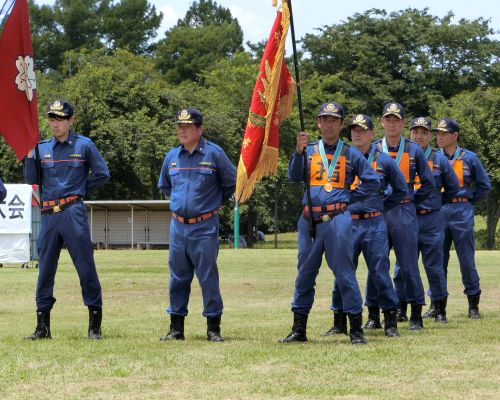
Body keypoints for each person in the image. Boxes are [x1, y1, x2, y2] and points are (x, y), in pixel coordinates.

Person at [281, 103, 380, 345]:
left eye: (334, 120)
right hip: (309, 222)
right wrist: (298, 152)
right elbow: (293, 176)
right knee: (305, 274)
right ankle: (299, 329)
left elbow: (372, 181)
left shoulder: (350, 153)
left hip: (337, 220)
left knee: (345, 273)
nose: (329, 124)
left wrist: (349, 200)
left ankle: (355, 330)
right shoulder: (309, 150)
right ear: (318, 123)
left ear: (341, 124)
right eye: (325, 119)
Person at [23, 99, 110, 340]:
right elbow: (31, 179)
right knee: (45, 270)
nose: (55, 124)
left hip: (73, 212)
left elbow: (102, 174)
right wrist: (29, 154)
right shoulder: (41, 148)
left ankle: (94, 326)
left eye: (60, 119)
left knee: (85, 266)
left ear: (70, 120)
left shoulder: (84, 145)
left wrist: (81, 189)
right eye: (52, 119)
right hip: (49, 215)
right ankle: (42, 327)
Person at [323, 114, 407, 338]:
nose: (357, 134)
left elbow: (401, 190)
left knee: (380, 272)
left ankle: (390, 321)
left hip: (373, 223)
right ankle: (339, 321)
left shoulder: (384, 160)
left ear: (372, 133)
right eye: (354, 131)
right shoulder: (341, 157)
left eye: (362, 130)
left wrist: (382, 206)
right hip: (347, 221)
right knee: (342, 272)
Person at [158, 108, 236, 342]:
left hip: (204, 227)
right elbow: (165, 186)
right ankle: (176, 328)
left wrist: (212, 202)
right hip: (178, 227)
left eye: (188, 127)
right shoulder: (172, 156)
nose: (182, 131)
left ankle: (213, 327)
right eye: (180, 127)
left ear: (200, 130)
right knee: (177, 277)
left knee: (207, 277)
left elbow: (231, 182)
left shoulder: (214, 153)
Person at [374, 102, 435, 330]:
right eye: (388, 119)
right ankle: (375, 313)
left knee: (408, 265)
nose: (391, 124)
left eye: (396, 120)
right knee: (377, 263)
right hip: (379, 211)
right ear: (381, 122)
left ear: (403, 123)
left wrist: (411, 200)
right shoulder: (374, 148)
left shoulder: (413, 150)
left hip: (403, 211)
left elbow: (428, 183)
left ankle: (416, 314)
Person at [434, 118, 491, 319]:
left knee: (466, 259)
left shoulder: (470, 158)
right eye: (437, 133)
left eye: (444, 133)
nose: (439, 137)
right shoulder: (432, 157)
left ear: (455, 135)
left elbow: (484, 185)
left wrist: (468, 200)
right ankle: (437, 304)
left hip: (461, 211)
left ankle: (473, 305)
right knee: (438, 260)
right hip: (439, 211)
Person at [409, 117, 460, 323]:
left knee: (434, 267)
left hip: (431, 219)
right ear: (410, 134)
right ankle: (403, 308)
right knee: (404, 267)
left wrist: (437, 202)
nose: (419, 136)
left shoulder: (439, 159)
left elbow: (453, 188)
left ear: (430, 135)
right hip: (408, 218)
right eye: (415, 132)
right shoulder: (403, 157)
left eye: (424, 132)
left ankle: (439, 309)